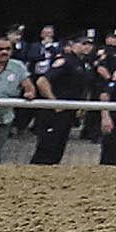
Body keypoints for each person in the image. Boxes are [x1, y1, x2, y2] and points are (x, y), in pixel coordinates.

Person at [27, 36, 98, 165]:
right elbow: (42, 81)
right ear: (72, 45)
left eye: (90, 44)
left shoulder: (83, 64)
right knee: (47, 148)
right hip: (54, 113)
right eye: (83, 43)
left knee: (58, 148)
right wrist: (54, 102)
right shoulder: (65, 61)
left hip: (68, 112)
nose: (87, 47)